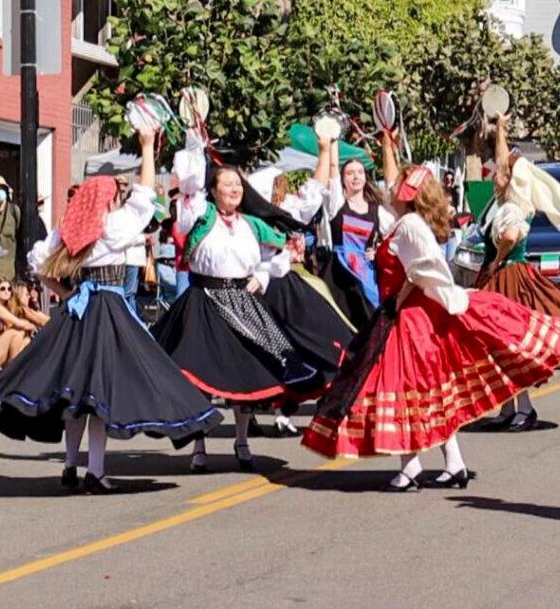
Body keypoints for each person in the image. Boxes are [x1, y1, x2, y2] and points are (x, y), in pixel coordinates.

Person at [301, 130, 560, 490]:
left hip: (412, 318)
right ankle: (454, 464)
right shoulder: (402, 221)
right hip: (411, 314)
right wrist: (387, 142)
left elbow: (425, 268)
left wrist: (398, 300)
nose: (391, 189)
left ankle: (411, 466)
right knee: (431, 394)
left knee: (404, 390)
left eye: (399, 186)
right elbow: (390, 194)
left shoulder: (410, 226)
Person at [0, 123, 221, 494]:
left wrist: (64, 291)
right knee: (100, 394)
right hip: (107, 306)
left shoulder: (70, 232)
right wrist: (147, 146)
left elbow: (38, 263)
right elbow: (143, 198)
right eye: (114, 194)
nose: (119, 197)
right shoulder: (112, 225)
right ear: (107, 200)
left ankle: (71, 465)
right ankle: (95, 470)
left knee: (76, 394)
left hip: (78, 310)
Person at [153, 131, 323, 474]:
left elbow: (280, 255)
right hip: (203, 303)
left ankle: (242, 442)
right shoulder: (198, 215)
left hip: (243, 303)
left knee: (247, 374)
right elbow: (189, 186)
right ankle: (198, 446)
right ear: (213, 190)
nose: (234, 189)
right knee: (195, 375)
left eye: (238, 184)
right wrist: (194, 147)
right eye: (227, 184)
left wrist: (261, 276)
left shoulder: (254, 225)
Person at [474, 116, 560, 432]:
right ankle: (509, 407)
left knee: (511, 345)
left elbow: (511, 236)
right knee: (499, 346)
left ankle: (523, 408)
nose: (495, 175)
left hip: (509, 278)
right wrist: (499, 128)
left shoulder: (514, 206)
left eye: (500, 174)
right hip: (502, 277)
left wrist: (497, 261)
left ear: (511, 180)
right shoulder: (502, 201)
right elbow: (503, 160)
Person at [253, 134, 355, 436]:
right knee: (288, 348)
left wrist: (325, 151)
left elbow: (313, 191)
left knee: (313, 342)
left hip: (284, 284)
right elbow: (313, 192)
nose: (281, 189)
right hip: (270, 287)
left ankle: (290, 408)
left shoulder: (286, 211)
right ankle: (276, 409)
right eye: (278, 185)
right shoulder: (252, 220)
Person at [318, 145, 396, 328]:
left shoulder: (378, 212)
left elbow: (397, 234)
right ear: (343, 180)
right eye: (350, 173)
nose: (355, 177)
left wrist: (379, 252)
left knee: (368, 320)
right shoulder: (337, 205)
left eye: (360, 172)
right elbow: (333, 170)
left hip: (365, 275)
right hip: (339, 272)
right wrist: (332, 137)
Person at [0, 278, 39, 369]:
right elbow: (20, 324)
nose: (7, 291)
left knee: (26, 340)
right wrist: (34, 327)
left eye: (9, 289)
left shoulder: (4, 307)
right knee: (16, 332)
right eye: (2, 289)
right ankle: (11, 374)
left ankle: (16, 374)